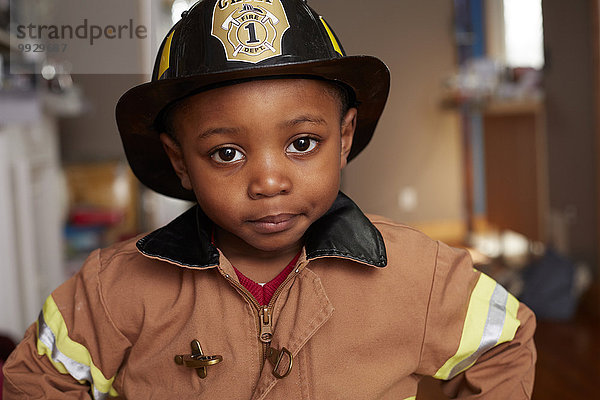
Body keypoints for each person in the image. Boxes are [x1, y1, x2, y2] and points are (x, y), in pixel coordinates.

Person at [2, 0, 536, 399]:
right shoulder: (113, 290)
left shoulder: (419, 276)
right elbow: (37, 379)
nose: (268, 182)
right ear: (181, 160)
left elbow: (505, 340)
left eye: (302, 144)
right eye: (227, 153)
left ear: (344, 137)